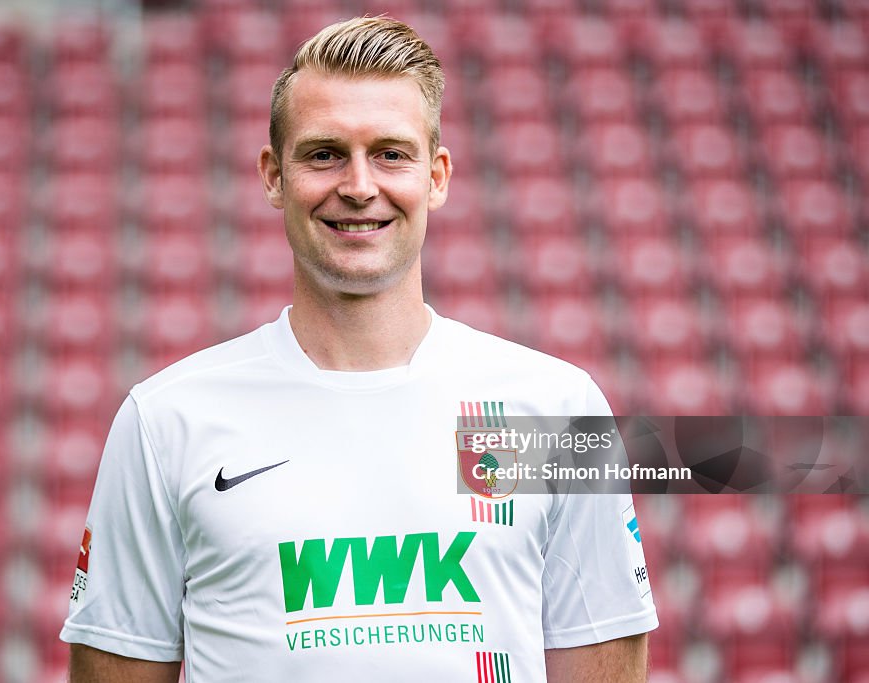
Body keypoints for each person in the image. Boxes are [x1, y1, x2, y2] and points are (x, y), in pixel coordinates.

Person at [60, 16, 658, 682]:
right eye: (323, 153)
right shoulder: (165, 421)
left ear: (436, 176)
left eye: (391, 154)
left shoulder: (556, 408)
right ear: (272, 175)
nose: (359, 185)